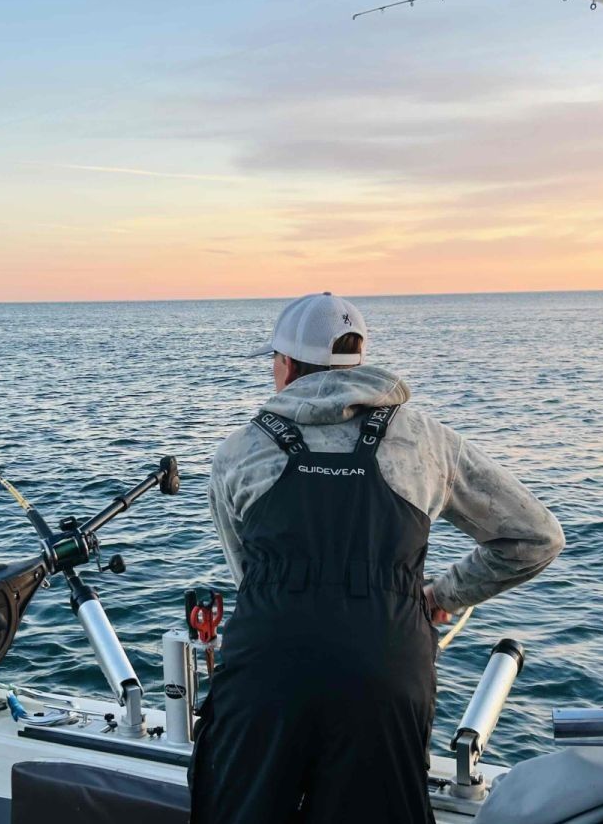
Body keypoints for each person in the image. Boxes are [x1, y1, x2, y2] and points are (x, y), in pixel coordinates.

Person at [190, 292, 565, 823]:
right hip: (385, 672)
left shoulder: (238, 452)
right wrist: (442, 595)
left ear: (288, 365)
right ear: (358, 359)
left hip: (266, 671)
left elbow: (248, 576)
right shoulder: (426, 441)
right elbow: (536, 536)